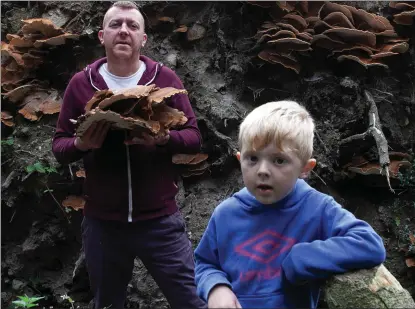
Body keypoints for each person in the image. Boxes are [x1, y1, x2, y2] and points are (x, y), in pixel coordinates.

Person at [52, 1, 206, 308]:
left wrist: (164, 139)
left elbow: (193, 138)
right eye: (115, 25)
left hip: (160, 220)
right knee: (108, 303)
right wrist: (82, 145)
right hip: (102, 223)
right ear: (101, 36)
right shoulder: (82, 84)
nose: (124, 31)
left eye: (132, 26)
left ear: (144, 39)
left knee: (190, 300)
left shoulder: (163, 80)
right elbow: (59, 147)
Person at [194, 100, 386, 309]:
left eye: (279, 160)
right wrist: (216, 288)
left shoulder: (318, 208)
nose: (262, 170)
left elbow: (369, 244)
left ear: (305, 168)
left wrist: (301, 257)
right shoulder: (225, 214)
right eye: (252, 158)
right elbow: (205, 263)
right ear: (239, 159)